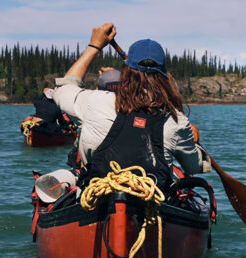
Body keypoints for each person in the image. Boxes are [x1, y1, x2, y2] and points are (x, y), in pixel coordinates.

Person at [51, 22, 210, 191]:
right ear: (163, 77)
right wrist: (195, 145)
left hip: (98, 195)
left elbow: (63, 89)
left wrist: (94, 46)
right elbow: (193, 167)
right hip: (151, 204)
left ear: (125, 73)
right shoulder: (176, 119)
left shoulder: (94, 101)